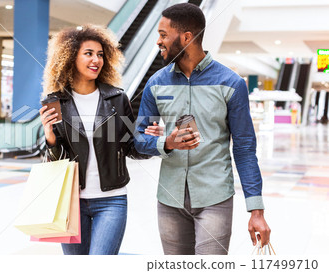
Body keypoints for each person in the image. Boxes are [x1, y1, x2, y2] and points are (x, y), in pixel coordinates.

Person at [134, 3, 271, 255]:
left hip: (215, 198)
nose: (158, 42)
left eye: (164, 35)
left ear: (186, 37)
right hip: (169, 199)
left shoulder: (231, 83)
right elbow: (138, 139)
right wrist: (167, 142)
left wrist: (256, 211)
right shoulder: (156, 83)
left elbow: (244, 149)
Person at [39, 25, 160, 255]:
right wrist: (50, 136)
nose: (96, 60)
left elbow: (131, 147)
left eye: (100, 54)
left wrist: (151, 141)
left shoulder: (117, 98)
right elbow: (54, 163)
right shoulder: (55, 102)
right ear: (70, 56)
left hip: (111, 200)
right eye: (88, 53)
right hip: (71, 202)